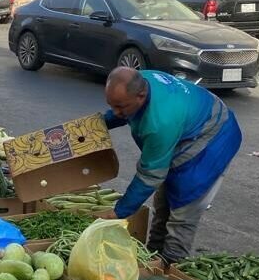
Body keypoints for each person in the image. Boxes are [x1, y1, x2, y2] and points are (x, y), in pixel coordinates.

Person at [101, 67, 242, 265]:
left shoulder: (160, 122)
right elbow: (119, 112)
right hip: (189, 121)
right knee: (163, 202)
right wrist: (100, 124)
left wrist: (119, 211)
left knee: (183, 209)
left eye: (120, 107)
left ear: (141, 96)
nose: (116, 112)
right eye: (112, 106)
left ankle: (173, 264)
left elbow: (150, 175)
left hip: (213, 137)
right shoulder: (140, 81)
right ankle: (153, 257)